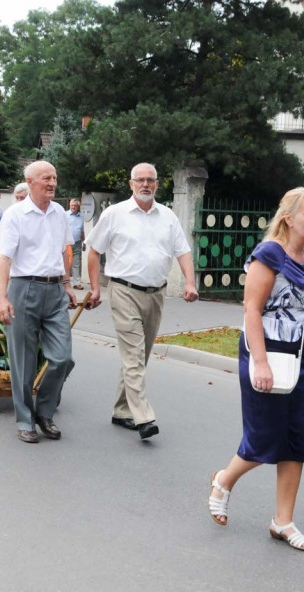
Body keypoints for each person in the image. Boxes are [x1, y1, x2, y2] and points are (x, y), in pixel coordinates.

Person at [206, 187, 304, 553]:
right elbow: (252, 310)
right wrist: (259, 362)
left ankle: (282, 521)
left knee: (295, 440)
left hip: (298, 356)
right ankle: (224, 481)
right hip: (265, 351)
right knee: (264, 437)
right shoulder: (268, 254)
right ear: (288, 217)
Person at [85, 163, 198, 439]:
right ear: (131, 183)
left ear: (157, 184)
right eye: (140, 180)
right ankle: (143, 417)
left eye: (150, 180)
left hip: (156, 294)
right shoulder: (115, 214)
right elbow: (93, 251)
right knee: (134, 355)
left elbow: (182, 251)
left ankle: (122, 410)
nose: (145, 184)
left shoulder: (168, 217)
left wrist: (190, 282)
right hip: (124, 290)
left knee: (140, 355)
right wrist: (96, 288)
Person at [0, 161, 78, 444]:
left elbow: (65, 250)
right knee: (24, 363)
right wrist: (1, 297)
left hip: (54, 291)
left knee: (63, 358)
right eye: (46, 178)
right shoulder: (15, 214)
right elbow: (3, 257)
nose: (52, 182)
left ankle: (44, 411)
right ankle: (25, 420)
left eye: (54, 177)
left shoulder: (59, 214)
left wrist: (66, 283)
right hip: (23, 288)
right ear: (30, 181)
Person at [65, 198, 85, 289]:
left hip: (77, 243)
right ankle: (64, 282)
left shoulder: (81, 217)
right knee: (66, 263)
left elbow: (82, 231)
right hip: (66, 243)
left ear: (78, 207)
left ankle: (76, 283)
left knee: (76, 263)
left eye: (75, 206)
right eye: (72, 205)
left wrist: (84, 242)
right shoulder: (65, 215)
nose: (73, 207)